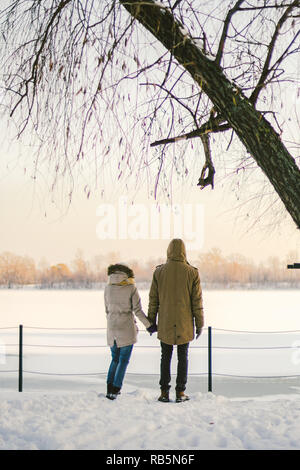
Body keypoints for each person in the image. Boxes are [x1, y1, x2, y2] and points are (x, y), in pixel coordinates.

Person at [147, 239, 204, 403]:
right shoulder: (192, 273)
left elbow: (153, 300)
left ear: (169, 251)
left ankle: (164, 392)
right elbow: (197, 302)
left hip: (165, 321)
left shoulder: (159, 272)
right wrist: (199, 324)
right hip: (184, 322)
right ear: (184, 251)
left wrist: (151, 321)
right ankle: (180, 392)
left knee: (165, 356)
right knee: (182, 356)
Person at [104, 263, 156, 400]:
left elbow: (107, 310)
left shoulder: (108, 287)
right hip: (126, 329)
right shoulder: (131, 287)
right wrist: (149, 325)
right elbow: (137, 311)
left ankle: (110, 388)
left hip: (112, 328)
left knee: (115, 359)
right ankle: (116, 389)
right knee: (123, 360)